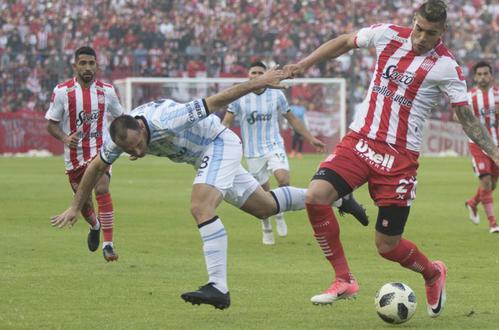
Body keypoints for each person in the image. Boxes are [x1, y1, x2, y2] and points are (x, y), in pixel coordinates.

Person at [50, 68, 368, 310]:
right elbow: (95, 167)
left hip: (218, 143)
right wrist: (77, 206)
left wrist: (261, 81)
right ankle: (339, 198)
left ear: (142, 128)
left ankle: (219, 287)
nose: (137, 152)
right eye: (130, 150)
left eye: (139, 144)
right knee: (265, 207)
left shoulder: (166, 120)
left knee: (201, 207)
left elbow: (219, 100)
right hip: (205, 155)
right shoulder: (118, 136)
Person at [283, 0, 499, 318]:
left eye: (430, 33)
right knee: (315, 196)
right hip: (360, 142)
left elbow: (464, 115)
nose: (421, 37)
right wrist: (305, 65)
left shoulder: (446, 66)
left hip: (399, 159)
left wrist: (493, 151)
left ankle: (433, 273)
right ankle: (343, 279)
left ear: (443, 32)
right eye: (419, 28)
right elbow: (343, 41)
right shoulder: (387, 35)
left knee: (387, 246)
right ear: (414, 21)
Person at [222, 61, 328, 245]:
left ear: (266, 74)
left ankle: (279, 213)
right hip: (253, 152)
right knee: (263, 193)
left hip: (274, 145)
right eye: (253, 72)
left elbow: (292, 118)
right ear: (248, 75)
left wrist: (310, 138)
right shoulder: (239, 97)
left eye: (259, 72)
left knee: (283, 178)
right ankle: (267, 225)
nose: (256, 75)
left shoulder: (276, 95)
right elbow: (226, 122)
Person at [45, 46, 123, 262]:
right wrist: (64, 138)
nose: (88, 68)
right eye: (83, 63)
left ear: (96, 65)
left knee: (102, 187)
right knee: (85, 204)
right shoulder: (62, 91)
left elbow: (120, 119)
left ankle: (108, 244)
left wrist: (131, 143)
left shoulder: (107, 91)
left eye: (91, 63)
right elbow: (51, 124)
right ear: (75, 66)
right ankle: (95, 226)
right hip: (74, 158)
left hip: (100, 151)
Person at [463, 61, 499, 233]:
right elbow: (457, 116)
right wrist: (467, 117)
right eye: (479, 74)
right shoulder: (469, 96)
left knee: (492, 185)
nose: (483, 77)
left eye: (486, 74)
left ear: (491, 75)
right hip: (477, 144)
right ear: (475, 77)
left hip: (498, 145)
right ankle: (493, 223)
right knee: (485, 181)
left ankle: (472, 203)